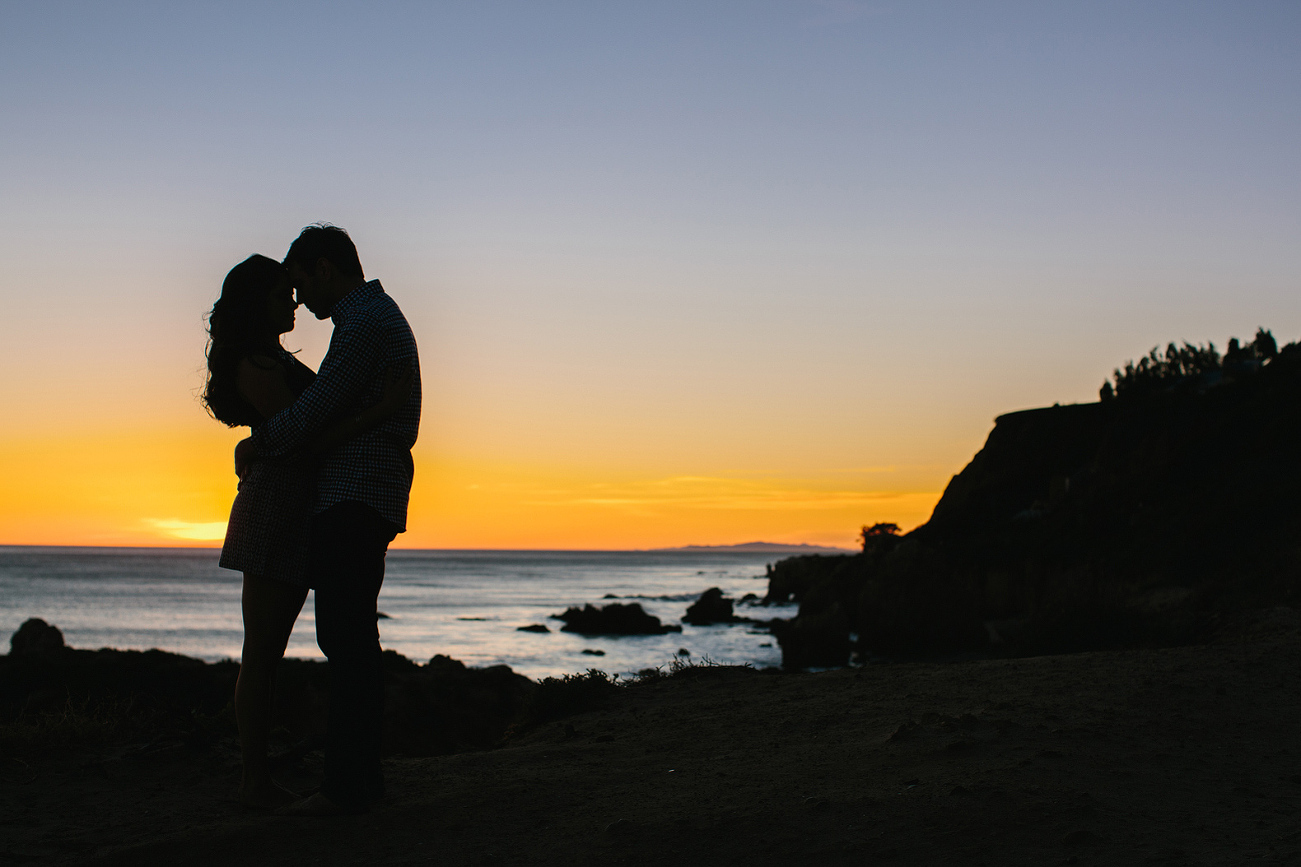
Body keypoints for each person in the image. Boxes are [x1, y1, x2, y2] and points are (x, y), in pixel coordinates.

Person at [203, 254, 409, 810]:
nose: (292, 303)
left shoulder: (274, 359)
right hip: (275, 509)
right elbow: (302, 438)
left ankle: (265, 776)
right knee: (263, 653)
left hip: (301, 508)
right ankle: (253, 779)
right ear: (255, 304)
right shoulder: (255, 364)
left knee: (282, 650)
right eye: (279, 295)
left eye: (291, 293)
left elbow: (306, 425)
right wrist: (380, 411)